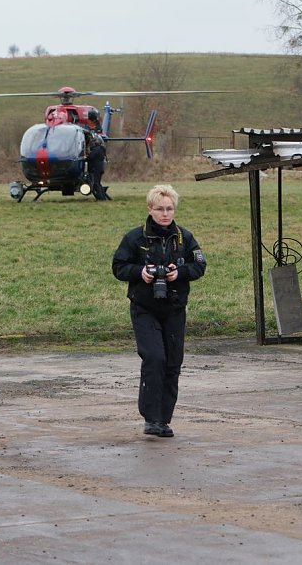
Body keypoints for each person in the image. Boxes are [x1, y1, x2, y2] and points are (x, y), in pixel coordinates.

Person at [112, 185, 206, 438]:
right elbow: (119, 266)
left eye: (169, 209)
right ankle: (150, 417)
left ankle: (164, 419)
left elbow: (200, 266)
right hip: (145, 308)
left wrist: (180, 273)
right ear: (150, 209)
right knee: (154, 358)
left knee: (173, 363)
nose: (165, 214)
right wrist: (140, 273)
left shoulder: (184, 238)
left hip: (174, 308)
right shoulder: (134, 238)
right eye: (160, 209)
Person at [88, 135, 108, 201]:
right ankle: (102, 196)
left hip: (96, 169)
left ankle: (101, 198)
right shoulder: (101, 149)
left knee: (96, 183)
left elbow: (90, 157)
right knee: (97, 183)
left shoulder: (96, 150)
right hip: (99, 169)